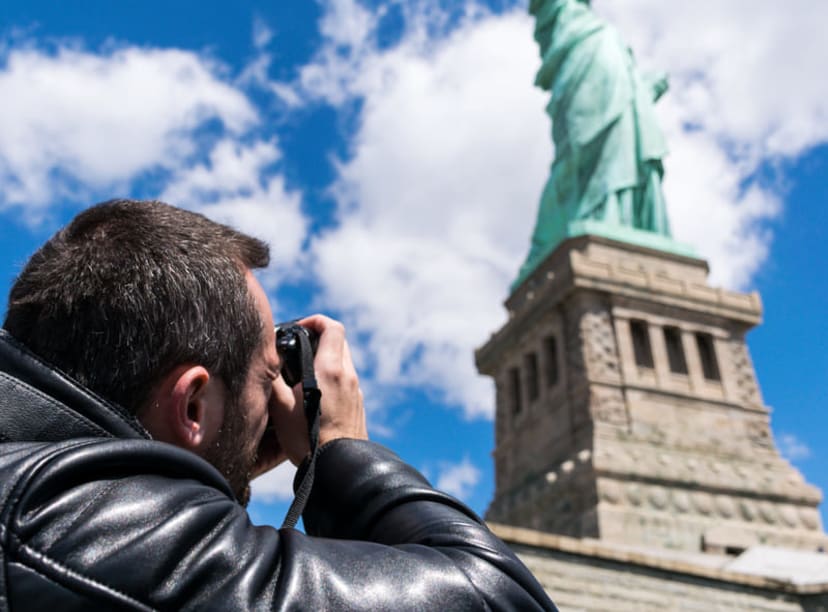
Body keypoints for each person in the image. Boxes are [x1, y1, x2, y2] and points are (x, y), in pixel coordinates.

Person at [0, 199, 556, 610]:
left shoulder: (54, 512)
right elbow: (502, 599)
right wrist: (339, 452)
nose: (275, 398)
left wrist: (223, 454)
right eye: (268, 374)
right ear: (193, 403)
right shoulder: (108, 536)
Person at [516, 0, 672, 286]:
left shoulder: (600, 32)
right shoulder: (563, 18)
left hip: (604, 51)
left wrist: (641, 91)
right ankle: (598, 215)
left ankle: (615, 217)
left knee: (622, 140)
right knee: (581, 155)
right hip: (585, 52)